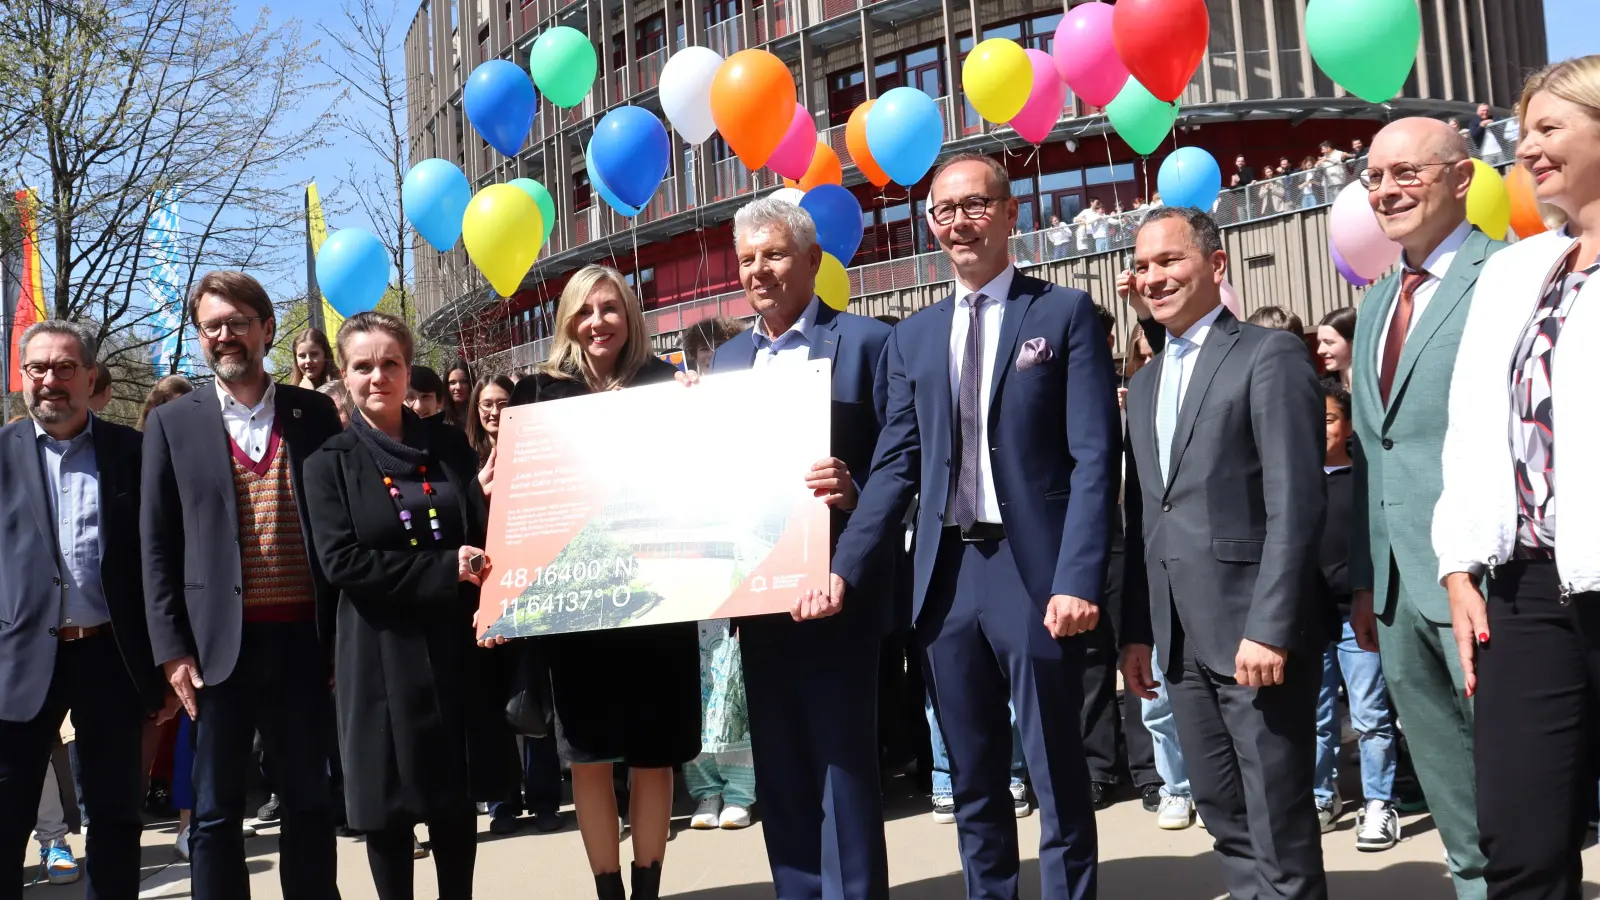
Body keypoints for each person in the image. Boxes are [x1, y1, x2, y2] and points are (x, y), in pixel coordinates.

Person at [830, 152, 1118, 900]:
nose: (960, 221)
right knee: (972, 776)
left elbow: (1094, 458)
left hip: (1035, 576)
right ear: (931, 225)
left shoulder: (1062, 314)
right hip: (946, 580)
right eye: (944, 210)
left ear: (1011, 212)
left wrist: (1077, 577)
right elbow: (895, 467)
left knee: (1058, 772)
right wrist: (844, 568)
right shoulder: (914, 337)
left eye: (975, 205)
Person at [1120, 207, 1328, 900]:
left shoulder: (1268, 355)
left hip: (1252, 636)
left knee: (1279, 823)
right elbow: (1146, 513)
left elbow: (1295, 501)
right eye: (1143, 266)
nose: (1153, 277)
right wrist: (1139, 631)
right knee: (1223, 814)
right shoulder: (1145, 383)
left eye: (1169, 261)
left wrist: (1270, 625)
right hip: (1178, 642)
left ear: (1216, 265)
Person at [1433, 55, 1600, 900]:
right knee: (1521, 847)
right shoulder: (1513, 274)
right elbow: (1470, 433)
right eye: (1522, 129)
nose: (1524, 148)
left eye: (1548, 127)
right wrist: (1459, 563)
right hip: (1526, 595)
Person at [708, 197, 893, 898]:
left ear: (813, 261)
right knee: (781, 776)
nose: (759, 270)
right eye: (748, 258)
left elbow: (900, 463)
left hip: (837, 597)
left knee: (844, 774)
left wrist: (852, 492)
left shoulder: (867, 343)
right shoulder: (727, 359)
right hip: (759, 600)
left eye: (775, 254)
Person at [141, 270, 343, 900]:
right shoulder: (174, 422)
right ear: (200, 337)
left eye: (238, 323)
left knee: (309, 802)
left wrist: (340, 638)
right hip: (215, 651)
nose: (225, 335)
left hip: (305, 646)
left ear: (267, 330)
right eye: (213, 326)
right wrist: (171, 649)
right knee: (216, 811)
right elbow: (156, 546)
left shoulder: (314, 415)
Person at [303, 311, 516, 900]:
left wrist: (490, 499)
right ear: (343, 377)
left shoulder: (449, 446)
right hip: (376, 658)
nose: (378, 376)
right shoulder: (329, 463)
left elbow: (479, 532)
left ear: (406, 367)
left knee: (453, 808)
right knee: (387, 812)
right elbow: (341, 562)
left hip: (453, 651)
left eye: (390, 363)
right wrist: (442, 569)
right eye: (363, 366)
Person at [504, 264, 699, 900]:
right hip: (577, 605)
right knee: (587, 756)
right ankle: (607, 890)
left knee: (652, 752)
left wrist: (703, 411)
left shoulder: (668, 383)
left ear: (630, 316)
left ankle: (647, 888)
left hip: (656, 599)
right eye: (584, 311)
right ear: (567, 320)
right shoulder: (538, 395)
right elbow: (518, 495)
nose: (597, 323)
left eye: (610, 309)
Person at [1348, 115, 1503, 900]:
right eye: (1373, 176)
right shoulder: (1376, 303)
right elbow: (1380, 451)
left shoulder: (1509, 276)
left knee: (1515, 786)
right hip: (1398, 589)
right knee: (1446, 783)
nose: (1385, 190)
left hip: (1482, 580)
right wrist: (1367, 582)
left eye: (1406, 172)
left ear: (1463, 178)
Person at [0, 320, 168, 900]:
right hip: (18, 662)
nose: (51, 380)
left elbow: (162, 561)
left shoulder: (135, 453)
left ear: (91, 376)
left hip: (112, 658)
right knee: (5, 818)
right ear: (20, 376)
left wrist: (168, 659)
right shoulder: (0, 455)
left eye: (65, 368)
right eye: (37, 368)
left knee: (118, 820)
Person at [1313, 379, 1401, 850]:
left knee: (1369, 714)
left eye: (1328, 418)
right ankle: (1322, 796)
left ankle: (1378, 803)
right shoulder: (1296, 480)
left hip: (1356, 617)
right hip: (1311, 618)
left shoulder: (1365, 479)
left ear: (1347, 424)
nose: (1319, 428)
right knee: (1318, 715)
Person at [465, 375, 513, 497]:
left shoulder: (528, 450)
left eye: (502, 403)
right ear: (477, 408)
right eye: (487, 404)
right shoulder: (464, 454)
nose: (495, 412)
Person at [1316, 307, 1356, 388]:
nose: (1320, 351)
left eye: (1329, 342)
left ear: (1353, 342)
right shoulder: (1322, 392)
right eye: (1319, 343)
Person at [444, 359, 474, 427]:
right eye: (452, 382)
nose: (458, 387)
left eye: (463, 381)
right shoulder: (440, 418)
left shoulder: (481, 414)